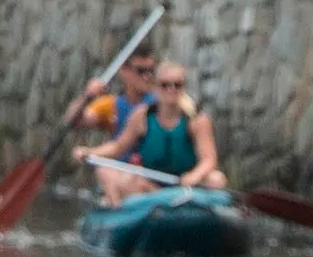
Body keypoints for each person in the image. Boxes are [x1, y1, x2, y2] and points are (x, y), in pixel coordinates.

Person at [90, 60, 221, 200]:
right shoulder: (142, 116)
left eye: (177, 85)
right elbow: (118, 147)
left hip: (186, 187)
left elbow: (209, 159)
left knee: (216, 179)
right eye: (165, 85)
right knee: (105, 173)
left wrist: (195, 176)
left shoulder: (196, 120)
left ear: (183, 88)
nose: (172, 89)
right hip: (150, 188)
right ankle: (118, 212)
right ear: (156, 87)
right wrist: (90, 152)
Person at [79, 40, 161, 140]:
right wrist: (86, 97)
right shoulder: (111, 105)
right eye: (141, 71)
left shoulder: (163, 102)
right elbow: (76, 122)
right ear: (123, 71)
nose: (148, 76)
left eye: (151, 70)